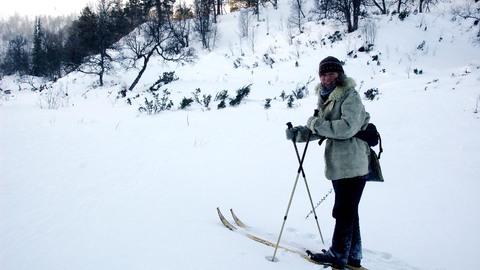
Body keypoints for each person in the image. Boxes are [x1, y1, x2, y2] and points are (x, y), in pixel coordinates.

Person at [286, 56, 370, 270]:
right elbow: (324, 127)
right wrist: (300, 134)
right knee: (350, 211)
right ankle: (353, 255)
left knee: (343, 210)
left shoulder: (350, 96)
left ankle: (338, 254)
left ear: (339, 75)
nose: (327, 78)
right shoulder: (327, 97)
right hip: (341, 164)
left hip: (352, 162)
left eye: (331, 74)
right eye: (323, 74)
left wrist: (315, 123)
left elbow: (345, 128)